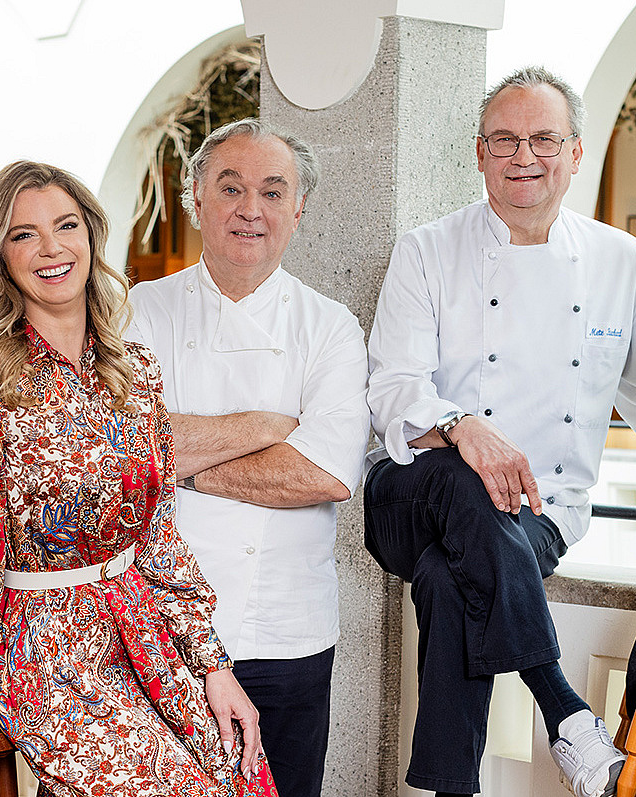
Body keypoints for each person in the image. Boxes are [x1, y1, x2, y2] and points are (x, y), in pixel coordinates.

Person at [0, 160, 278, 797]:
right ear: (0, 255)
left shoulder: (135, 372)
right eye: (24, 234)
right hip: (43, 647)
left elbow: (157, 535)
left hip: (144, 628)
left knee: (241, 776)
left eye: (66, 226)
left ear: (92, 238)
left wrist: (213, 666)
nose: (50, 249)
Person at [366, 66, 636, 797]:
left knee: (448, 581)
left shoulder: (620, 262)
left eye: (543, 138)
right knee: (465, 482)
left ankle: (447, 789)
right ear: (478, 152)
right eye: (504, 140)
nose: (524, 155)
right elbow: (391, 389)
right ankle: (566, 714)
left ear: (576, 152)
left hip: (538, 512)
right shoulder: (426, 249)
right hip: (409, 492)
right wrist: (461, 427)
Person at [127, 118, 369, 797]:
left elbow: (322, 474)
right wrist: (267, 426)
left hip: (286, 629)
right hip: (159, 628)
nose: (249, 209)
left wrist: (186, 463)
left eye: (271, 190)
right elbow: (120, 449)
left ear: (298, 209)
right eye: (229, 187)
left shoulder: (330, 326)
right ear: (196, 197)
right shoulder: (140, 312)